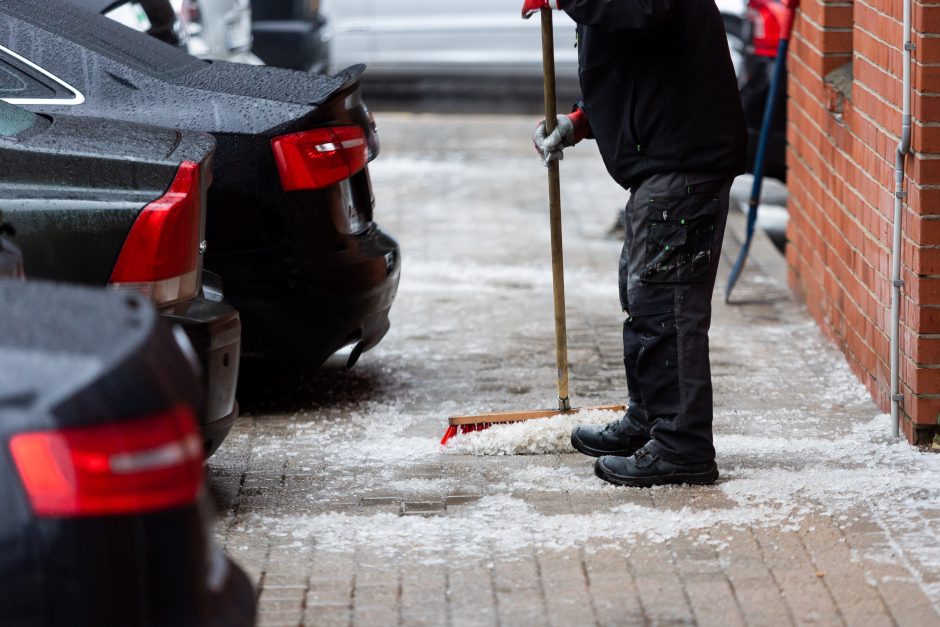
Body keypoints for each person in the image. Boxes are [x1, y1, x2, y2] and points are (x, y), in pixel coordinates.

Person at [522, 0, 747, 487]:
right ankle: (650, 422)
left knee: (665, 306)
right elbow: (634, 61)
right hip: (665, 162)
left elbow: (646, 12)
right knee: (643, 296)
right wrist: (580, 122)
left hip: (684, 162)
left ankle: (682, 445)